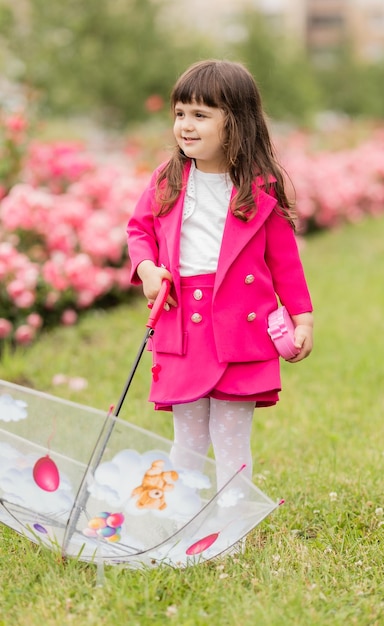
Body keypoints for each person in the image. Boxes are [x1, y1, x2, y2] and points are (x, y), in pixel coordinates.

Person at [127, 59, 313, 489]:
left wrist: (302, 317)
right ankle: (181, 516)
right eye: (179, 113)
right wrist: (147, 268)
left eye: (201, 115)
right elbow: (140, 229)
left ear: (238, 122)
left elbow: (284, 262)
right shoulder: (168, 178)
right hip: (181, 324)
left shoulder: (260, 187)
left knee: (230, 438)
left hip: (241, 326)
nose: (185, 125)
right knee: (188, 437)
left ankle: (232, 521)